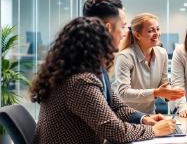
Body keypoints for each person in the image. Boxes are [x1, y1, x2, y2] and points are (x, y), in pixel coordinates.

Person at [30, 17, 176, 144]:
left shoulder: (93, 71)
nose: (124, 33)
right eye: (122, 28)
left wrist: (144, 119)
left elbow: (116, 106)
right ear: (97, 44)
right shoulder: (80, 80)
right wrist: (153, 131)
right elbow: (114, 130)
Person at [112, 13, 185, 114]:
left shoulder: (162, 53)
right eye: (151, 31)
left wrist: (169, 93)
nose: (156, 33)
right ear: (138, 35)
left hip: (150, 115)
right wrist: (156, 92)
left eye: (157, 29)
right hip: (126, 116)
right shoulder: (125, 56)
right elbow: (123, 93)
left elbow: (163, 84)